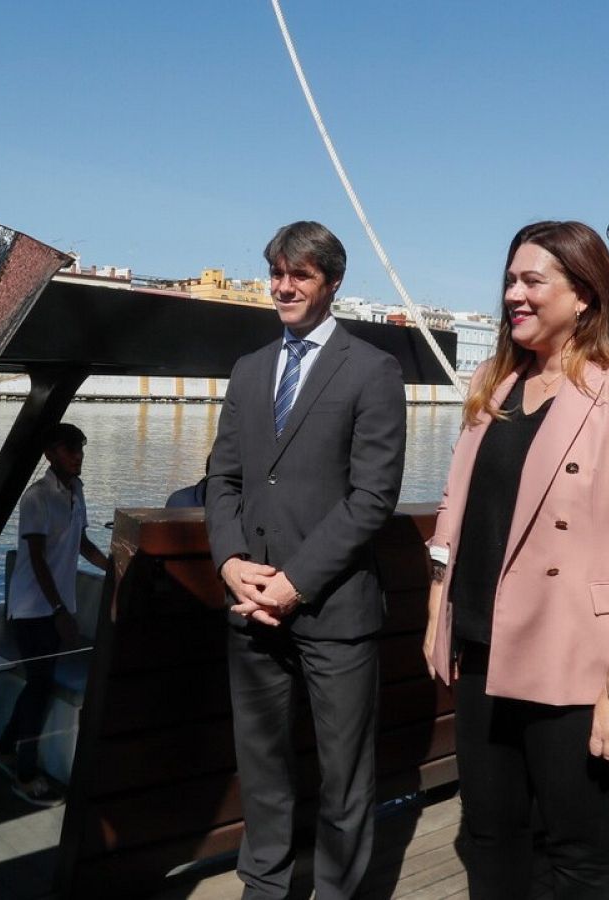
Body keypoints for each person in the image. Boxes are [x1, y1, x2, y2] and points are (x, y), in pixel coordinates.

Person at [423, 221, 609, 898]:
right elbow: (458, 510)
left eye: (532, 280)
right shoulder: (496, 384)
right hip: (488, 648)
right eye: (510, 280)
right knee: (487, 837)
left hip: (584, 663)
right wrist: (438, 611)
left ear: (583, 295)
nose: (513, 293)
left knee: (578, 855)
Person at [205, 221, 407, 899]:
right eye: (277, 274)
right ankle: (262, 890)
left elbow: (372, 498)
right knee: (261, 771)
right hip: (250, 603)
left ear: (333, 284)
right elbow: (225, 479)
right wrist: (231, 560)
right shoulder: (249, 369)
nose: (283, 287)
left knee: (344, 780)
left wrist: (294, 583)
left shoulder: (373, 370)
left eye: (301, 275)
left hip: (335, 610)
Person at [0, 421, 107, 805]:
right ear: (50, 454)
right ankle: (24, 774)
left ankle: (5, 748)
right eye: (69, 448)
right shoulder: (36, 497)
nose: (77, 456)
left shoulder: (76, 491)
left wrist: (115, 569)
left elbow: (82, 542)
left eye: (79, 448)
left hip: (58, 607)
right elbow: (38, 558)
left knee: (38, 683)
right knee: (40, 686)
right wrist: (60, 610)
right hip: (32, 609)